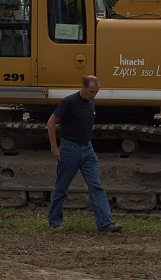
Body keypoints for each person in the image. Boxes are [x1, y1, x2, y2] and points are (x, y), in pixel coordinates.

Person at [46, 75, 122, 232]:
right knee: (61, 187)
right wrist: (54, 147)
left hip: (88, 149)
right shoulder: (69, 102)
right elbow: (51, 122)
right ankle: (55, 222)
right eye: (91, 91)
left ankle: (105, 223)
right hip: (69, 149)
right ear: (83, 87)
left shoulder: (91, 101)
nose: (93, 95)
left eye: (96, 92)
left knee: (96, 186)